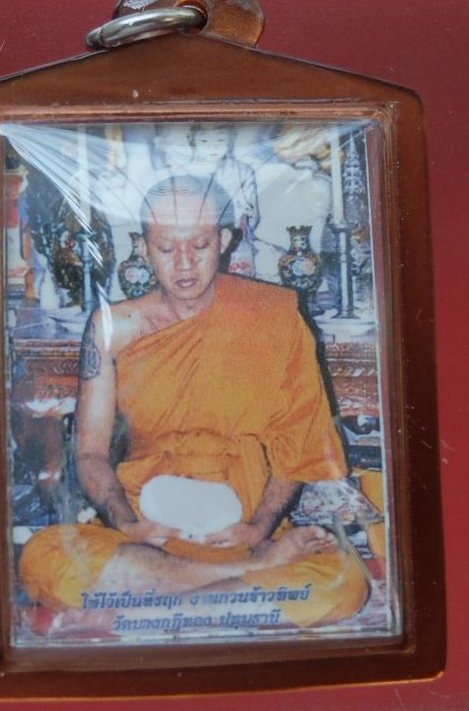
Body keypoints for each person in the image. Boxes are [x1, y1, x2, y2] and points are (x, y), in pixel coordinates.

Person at [20, 175, 368, 631]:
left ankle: (140, 612)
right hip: (149, 536)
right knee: (42, 557)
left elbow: (297, 448)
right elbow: (89, 454)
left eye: (200, 245)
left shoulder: (274, 317)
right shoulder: (113, 328)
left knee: (344, 584)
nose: (184, 263)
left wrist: (259, 529)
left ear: (223, 240)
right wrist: (125, 523)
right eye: (166, 248)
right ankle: (229, 587)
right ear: (144, 247)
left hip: (241, 530)